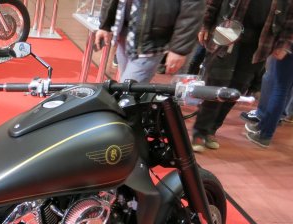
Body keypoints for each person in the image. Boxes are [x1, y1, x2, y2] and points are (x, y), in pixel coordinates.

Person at [191, 0, 292, 152]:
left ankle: (212, 129)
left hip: (259, 44)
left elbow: (290, 19)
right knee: (216, 83)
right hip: (226, 34)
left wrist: (283, 44)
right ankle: (200, 131)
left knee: (237, 88)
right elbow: (212, 3)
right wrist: (204, 25)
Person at [95, 0, 204, 83]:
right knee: (127, 86)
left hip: (151, 40)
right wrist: (105, 24)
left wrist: (179, 49)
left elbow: (193, 6)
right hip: (124, 31)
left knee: (127, 90)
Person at [244, 52, 293, 147]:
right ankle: (263, 125)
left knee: (280, 89)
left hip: (287, 49)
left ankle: (265, 135)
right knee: (285, 88)